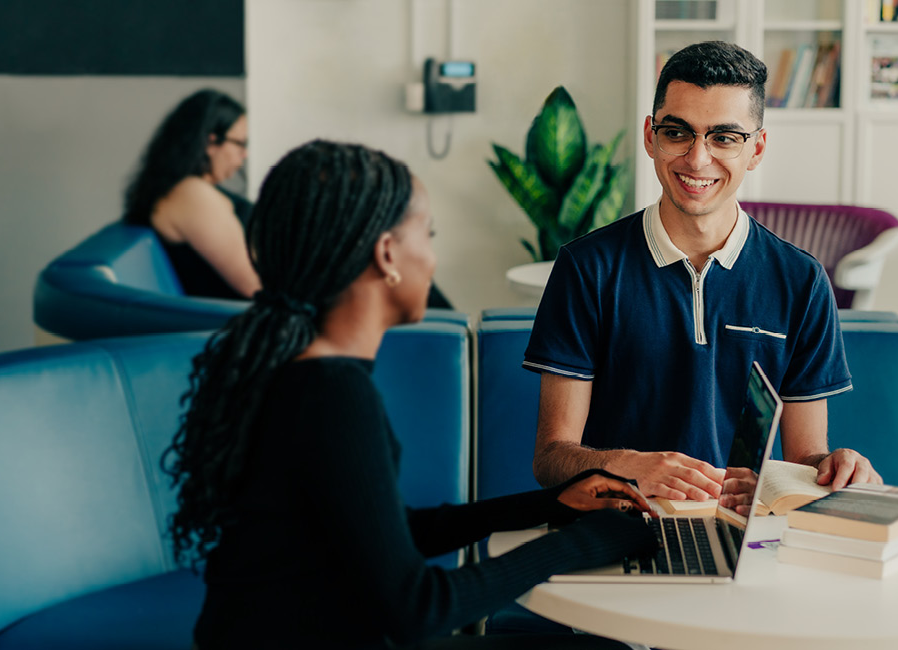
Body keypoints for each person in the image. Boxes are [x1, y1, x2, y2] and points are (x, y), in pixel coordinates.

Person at [162, 140, 655, 649]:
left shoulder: (298, 368)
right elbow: (418, 609)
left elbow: (389, 532)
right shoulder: (332, 394)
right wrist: (587, 543)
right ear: (387, 254)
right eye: (429, 235)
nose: (434, 257)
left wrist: (552, 504)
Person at [524, 41, 882, 513]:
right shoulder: (585, 269)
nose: (697, 159)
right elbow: (551, 458)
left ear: (756, 149)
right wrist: (630, 465)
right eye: (678, 133)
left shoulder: (801, 281)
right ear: (651, 136)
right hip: (614, 530)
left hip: (738, 533)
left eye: (724, 138)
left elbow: (803, 459)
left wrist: (836, 467)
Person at [123, 88, 261, 300]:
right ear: (210, 143)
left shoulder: (188, 190)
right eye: (240, 144)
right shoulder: (191, 194)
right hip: (228, 320)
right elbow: (254, 284)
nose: (245, 154)